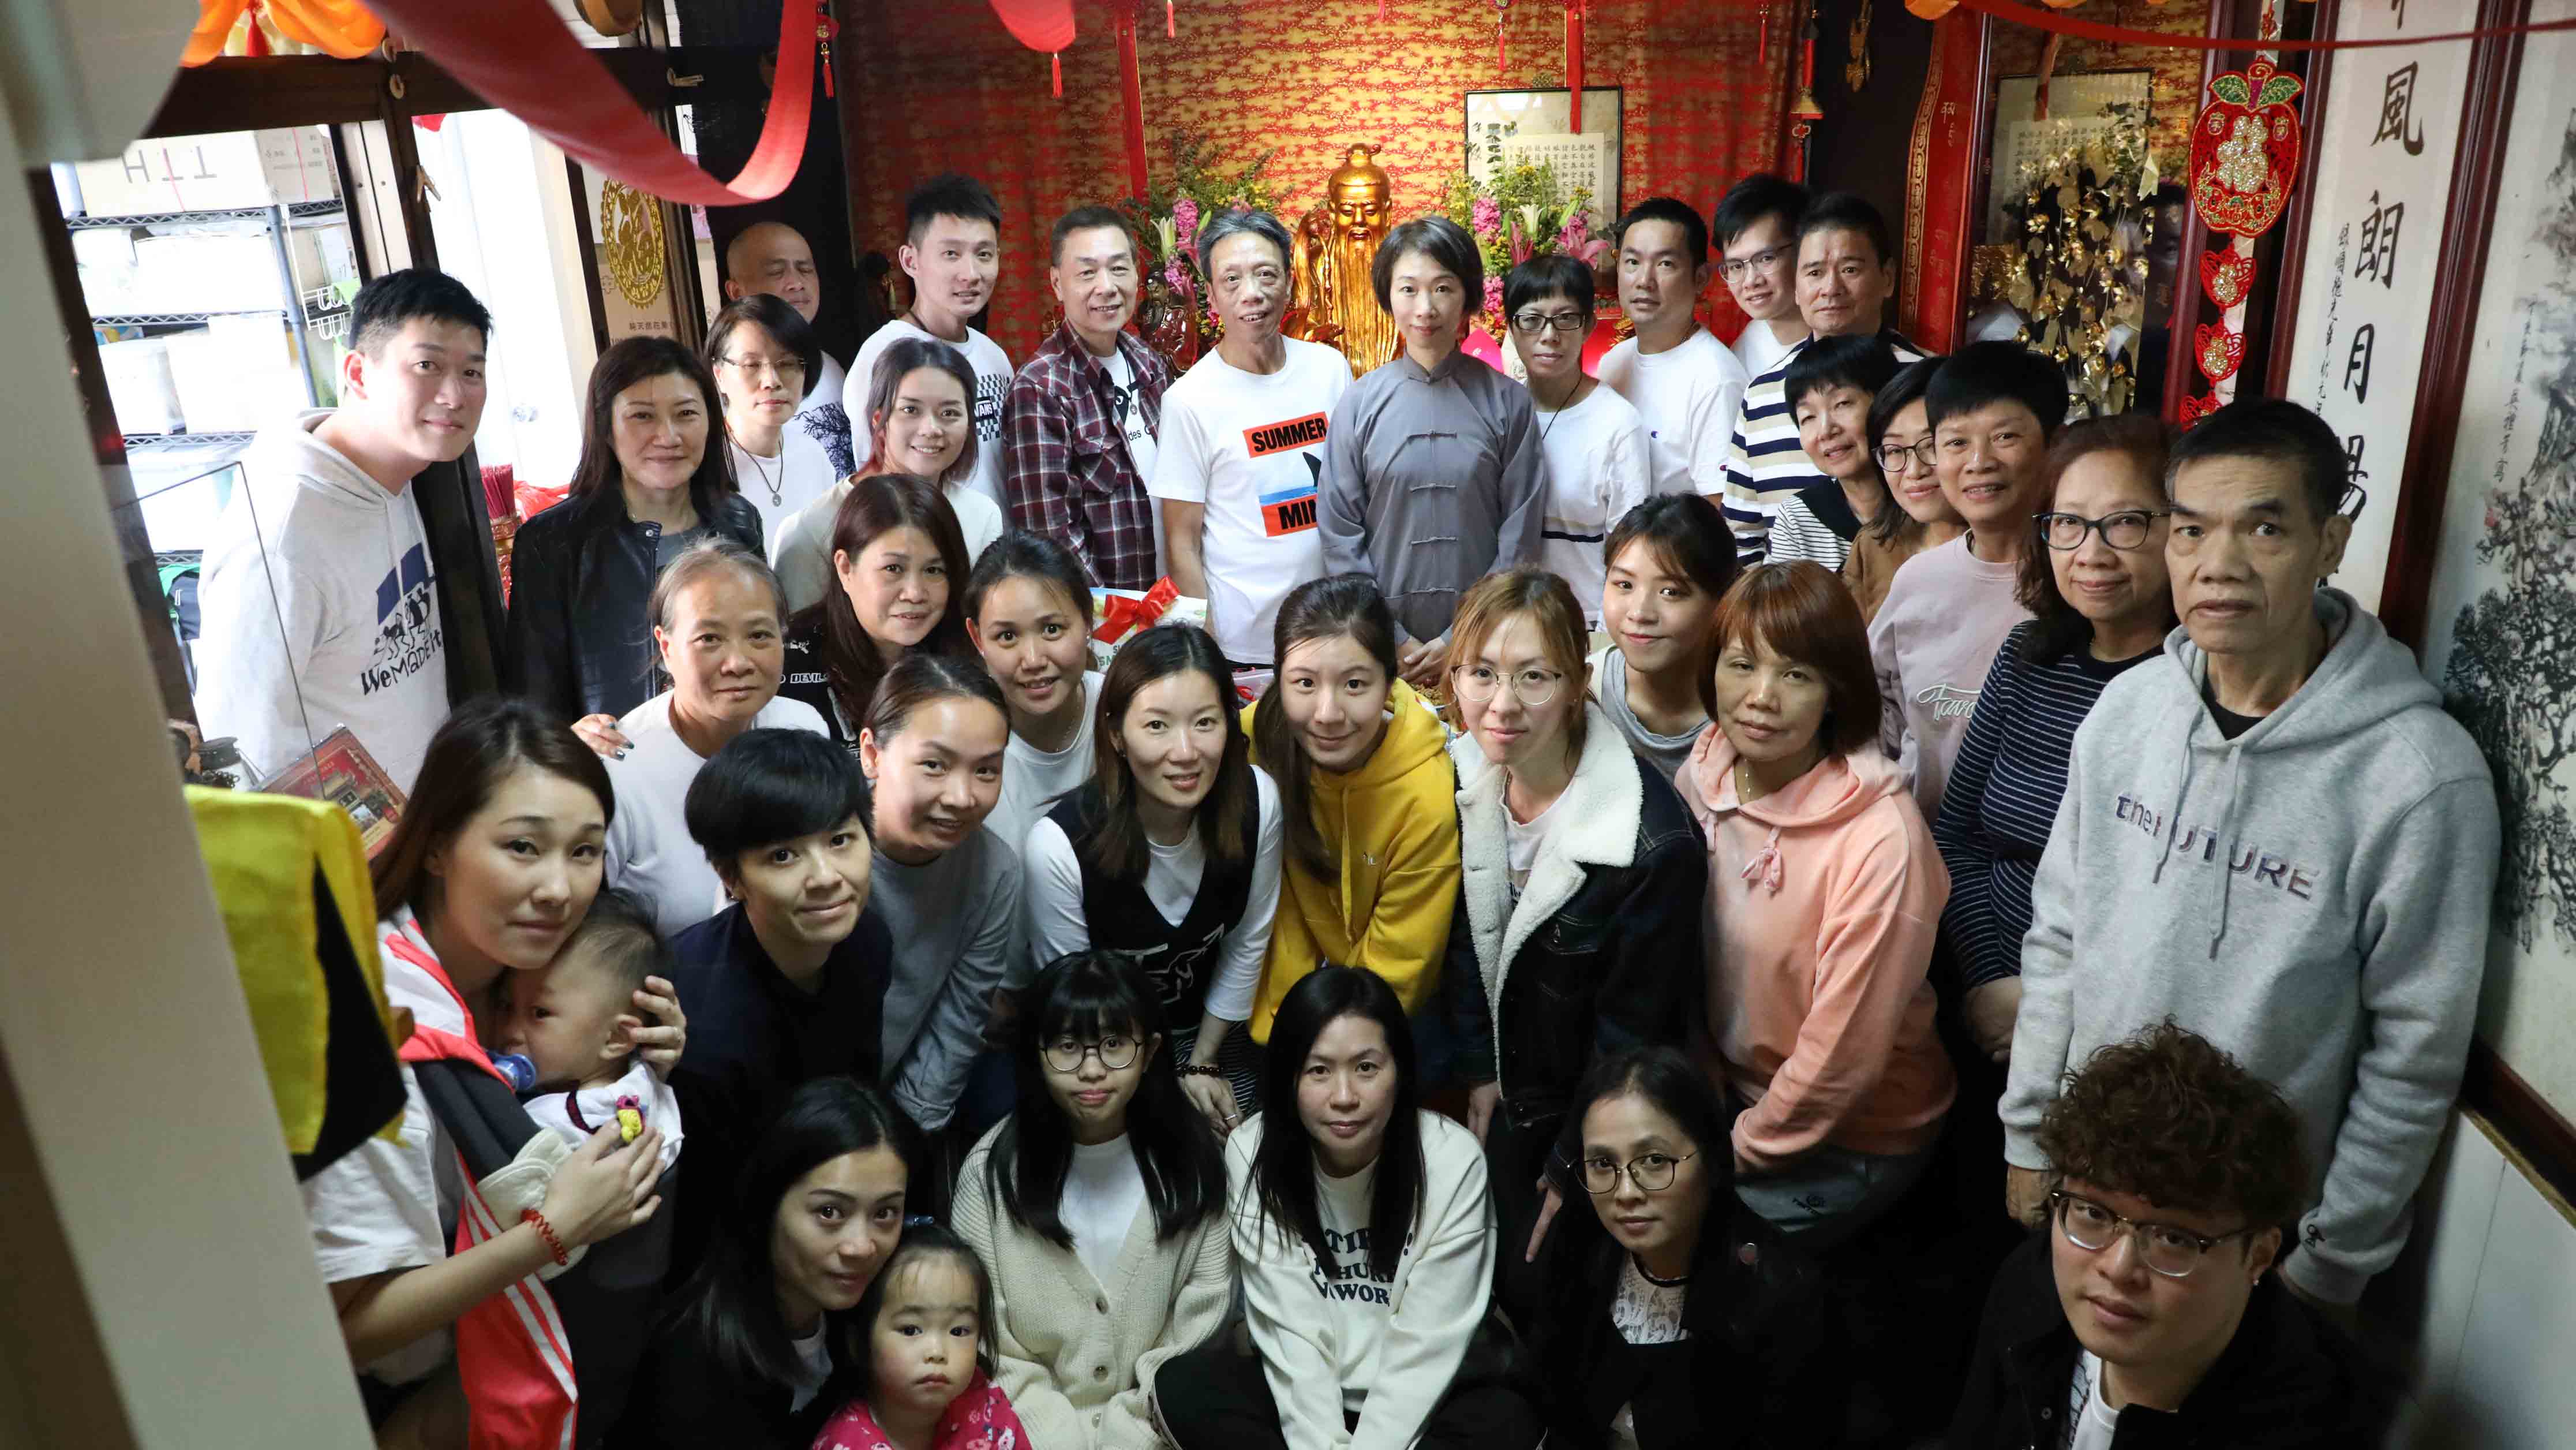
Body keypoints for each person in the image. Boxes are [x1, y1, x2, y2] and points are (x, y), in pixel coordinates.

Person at [2001, 399, 2501, 1310]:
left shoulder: (2420, 778)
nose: (2218, 565)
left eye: (2264, 529)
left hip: (2252, 1240)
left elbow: (2415, 1051)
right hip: (2090, 1191)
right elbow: (2060, 933)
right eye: (2191, 529)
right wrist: (2031, 1135)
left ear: (2329, 542)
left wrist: (2331, 1260)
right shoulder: (2130, 710)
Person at [304, 696, 679, 1442]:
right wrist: (550, 1233)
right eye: (523, 847)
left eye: (584, 851)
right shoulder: (380, 1029)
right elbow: (347, 1329)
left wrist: (637, 1053)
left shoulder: (528, 967)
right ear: (437, 845)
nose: (559, 889)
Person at [1447, 568, 1706, 1312]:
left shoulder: (1650, 843)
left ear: (1576, 683)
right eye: (1481, 673)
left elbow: (1631, 1038)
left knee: (1540, 1292)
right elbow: (1466, 942)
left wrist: (1573, 1164)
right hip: (1496, 1091)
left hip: (1584, 1120)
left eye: (1534, 676)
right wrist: (1479, 1069)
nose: (1502, 703)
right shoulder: (1458, 773)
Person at [1675, 561, 1953, 1246]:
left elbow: (1840, 1065)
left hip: (1855, 1133)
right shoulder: (1705, 770)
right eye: (1741, 665)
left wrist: (1723, 1157)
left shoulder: (1880, 839)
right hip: (1729, 1093)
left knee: (1687, 1242)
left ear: (1835, 691)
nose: (1761, 698)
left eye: (1796, 674)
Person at [1156, 966, 1540, 1450]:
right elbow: (1293, 1334)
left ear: (1399, 1072)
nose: (1344, 1097)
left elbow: (1427, 1345)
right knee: (1184, 1386)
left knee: (1508, 1419)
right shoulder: (1253, 1151)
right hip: (1311, 1394)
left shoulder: (1451, 1159)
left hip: (1430, 1395)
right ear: (1289, 1077)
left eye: (1366, 1068)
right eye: (1319, 1071)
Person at [1952, 1023, 2380, 1447]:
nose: (2119, 1269)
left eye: (2174, 1239)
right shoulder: (2029, 1285)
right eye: (2093, 1213)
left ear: (2258, 1255)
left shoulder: (2317, 1424)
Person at [196, 268, 501, 791]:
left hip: (427, 812)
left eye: (472, 372)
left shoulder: (395, 474)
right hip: (347, 837)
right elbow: (239, 749)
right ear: (358, 373)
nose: (454, 395)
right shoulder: (280, 541)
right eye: (427, 365)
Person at [1934, 416, 2177, 1069]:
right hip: (1986, 1001)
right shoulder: (2028, 656)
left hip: (2115, 1033)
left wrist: (2047, 1005)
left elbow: (2162, 911)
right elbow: (1957, 837)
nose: (2091, 552)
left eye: (2126, 523)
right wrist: (1989, 980)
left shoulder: (2192, 692)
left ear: (2182, 532)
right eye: (2067, 523)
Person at [952, 952, 1234, 1450]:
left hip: (1161, 1436)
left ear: (1150, 1051)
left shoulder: (1196, 1168)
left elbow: (1199, 1332)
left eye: (1113, 1044)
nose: (1092, 1070)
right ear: (1036, 1054)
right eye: (1067, 1046)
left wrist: (1131, 1435)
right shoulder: (988, 1174)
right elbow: (985, 1339)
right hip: (1022, 1439)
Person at [1023, 624, 1285, 1123]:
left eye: (1205, 723)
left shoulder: (1257, 802)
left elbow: (1248, 942)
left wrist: (1202, 1063)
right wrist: (1159, 1087)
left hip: (1215, 1030)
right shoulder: (1058, 848)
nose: (1185, 752)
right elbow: (1076, 1009)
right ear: (1117, 735)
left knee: (1250, 1137)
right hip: (1104, 1054)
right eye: (1157, 726)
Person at [667, 727, 893, 1273]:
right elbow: (705, 1206)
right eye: (784, 855)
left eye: (841, 841)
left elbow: (857, 1097)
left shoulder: (867, 940)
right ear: (732, 877)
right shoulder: (701, 1024)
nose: (827, 878)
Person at [1526, 1047, 1823, 1450]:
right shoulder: (1580, 1241)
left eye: (1654, 1160)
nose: (1625, 1193)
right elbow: (1553, 1396)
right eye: (1602, 1164)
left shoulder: (1780, 1297)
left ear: (1711, 1157)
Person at [620, 1077, 910, 1449]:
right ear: (767, 1204)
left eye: (885, 1213)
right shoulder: (691, 1367)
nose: (862, 1247)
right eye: (830, 1212)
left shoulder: (871, 1324)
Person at [1316, 215, 1545, 685]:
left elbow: (1519, 537)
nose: (1426, 308)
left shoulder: (1508, 402)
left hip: (1487, 649)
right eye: (1409, 289)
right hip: (1381, 652)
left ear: (1468, 297)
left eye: (1443, 288)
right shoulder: (1359, 404)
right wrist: (1391, 637)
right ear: (1387, 297)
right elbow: (1340, 536)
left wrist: (1461, 637)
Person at [1244, 574, 1459, 1040]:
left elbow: (1398, 969)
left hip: (1368, 1028)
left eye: (1355, 684)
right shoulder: (1251, 740)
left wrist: (1314, 1052)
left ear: (1390, 683)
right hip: (1252, 1011)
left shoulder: (1425, 798)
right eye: (1304, 683)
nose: (1327, 714)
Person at [508, 337, 765, 725]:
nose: (668, 436)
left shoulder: (740, 522)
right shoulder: (552, 542)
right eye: (643, 416)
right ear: (606, 429)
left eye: (686, 413)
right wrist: (574, 742)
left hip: (732, 749)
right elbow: (534, 701)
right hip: (616, 756)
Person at [1867, 341, 2068, 821]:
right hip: (1918, 842)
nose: (1979, 461)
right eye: (1956, 443)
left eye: (2005, 437)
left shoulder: (2078, 581)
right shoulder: (1917, 580)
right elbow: (1877, 715)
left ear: (2054, 445)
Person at [1152, 207, 1353, 669]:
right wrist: (1207, 653)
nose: (1252, 293)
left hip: (1335, 626)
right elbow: (1182, 544)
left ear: (1289, 281)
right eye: (1232, 280)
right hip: (1244, 646)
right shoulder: (1189, 400)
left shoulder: (1329, 370)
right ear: (1211, 295)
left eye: (1266, 274)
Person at [600, 541, 829, 936]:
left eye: (759, 635)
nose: (738, 663)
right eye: (709, 639)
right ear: (666, 647)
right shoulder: (617, 770)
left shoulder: (803, 729)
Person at [860, 653, 1023, 1137]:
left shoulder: (993, 870)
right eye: (934, 765)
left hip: (888, 1114)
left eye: (986, 771)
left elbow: (958, 1023)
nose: (962, 797)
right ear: (872, 754)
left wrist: (902, 1140)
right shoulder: (812, 837)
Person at [1719, 192, 1923, 565]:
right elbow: (1742, 537)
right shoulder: (1762, 395)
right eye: (1814, 273)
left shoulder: (1926, 382)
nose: (1830, 288)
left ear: (1888, 278)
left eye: (1850, 269)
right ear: (1796, 287)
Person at [1003, 205, 1173, 591]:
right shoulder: (1041, 388)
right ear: (1057, 283)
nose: (1107, 286)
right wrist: (1113, 616)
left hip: (1175, 596)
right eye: (1087, 273)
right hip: (1112, 614)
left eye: (1119, 268)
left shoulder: (1148, 363)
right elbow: (1051, 540)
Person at [778, 339, 1006, 613]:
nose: (931, 429)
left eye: (949, 413)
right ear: (879, 420)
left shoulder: (982, 516)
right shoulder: (814, 529)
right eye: (911, 410)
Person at [844, 173, 1013, 512]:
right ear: (911, 261)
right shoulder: (881, 356)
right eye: (951, 253)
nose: (971, 274)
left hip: (997, 539)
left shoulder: (994, 357)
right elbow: (874, 479)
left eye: (984, 254)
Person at [492, 886, 686, 1179]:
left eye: (540, 1013)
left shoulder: (552, 1127)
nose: (510, 1030)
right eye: (506, 1006)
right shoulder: (644, 1080)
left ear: (617, 1038)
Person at [777, 473, 976, 750]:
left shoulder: (968, 659)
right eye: (893, 569)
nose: (915, 593)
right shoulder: (785, 664)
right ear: (846, 568)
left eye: (934, 570)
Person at [1506, 253, 1653, 625]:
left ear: (1588, 326)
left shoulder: (1617, 424)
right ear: (1511, 328)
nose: (1549, 335)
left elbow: (1629, 551)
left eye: (1566, 318)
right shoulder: (1501, 413)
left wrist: (1605, 638)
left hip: (1582, 624)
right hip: (1508, 618)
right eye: (1532, 320)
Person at [811, 1225, 1033, 1450]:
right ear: (858, 1343)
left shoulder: (986, 1406)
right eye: (910, 1330)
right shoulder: (845, 1443)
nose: (937, 1352)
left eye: (958, 1331)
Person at [1593, 197, 1751, 500]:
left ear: (1700, 278)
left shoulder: (1715, 378)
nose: (1644, 281)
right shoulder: (1614, 362)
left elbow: (1718, 509)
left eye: (1665, 264)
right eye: (1632, 262)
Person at [968, 531, 1106, 851]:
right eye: (1007, 636)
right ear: (977, 639)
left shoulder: (1124, 713)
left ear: (1088, 622)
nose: (1033, 660)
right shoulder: (963, 744)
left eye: (1052, 630)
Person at [1589, 494, 1739, 783]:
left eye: (1670, 592)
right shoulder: (1581, 693)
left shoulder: (1752, 711)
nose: (1640, 613)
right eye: (1624, 584)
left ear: (1723, 599)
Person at [1759, 334, 1903, 573]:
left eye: (1842, 404)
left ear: (1887, 403)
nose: (1826, 431)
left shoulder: (1926, 501)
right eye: (1808, 417)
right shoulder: (1798, 518)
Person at [706, 294, 838, 550]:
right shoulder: (706, 465)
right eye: (751, 365)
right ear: (719, 375)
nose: (771, 381)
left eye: (787, 364)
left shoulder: (813, 454)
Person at [723, 219, 854, 474]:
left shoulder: (830, 367)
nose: (797, 283)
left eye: (805, 269)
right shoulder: (730, 383)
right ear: (737, 292)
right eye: (776, 272)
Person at [1844, 357, 1963, 624]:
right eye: (1895, 450)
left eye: (1931, 445)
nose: (1914, 471)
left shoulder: (2018, 550)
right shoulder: (1875, 545)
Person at [1712, 174, 1811, 380]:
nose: (1751, 281)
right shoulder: (1745, 348)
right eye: (1736, 266)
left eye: (1766, 258)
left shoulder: (1841, 341)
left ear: (1804, 250)